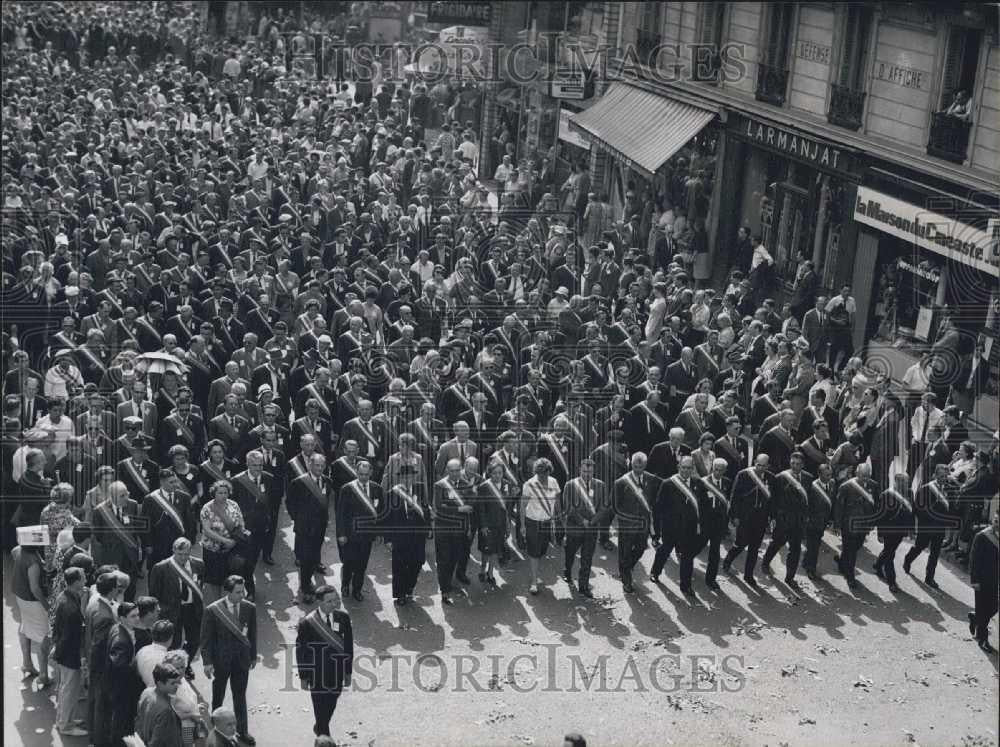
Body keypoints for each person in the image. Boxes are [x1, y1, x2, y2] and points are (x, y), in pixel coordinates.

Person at [201, 575, 257, 745]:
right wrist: (207, 662)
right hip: (221, 661)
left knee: (240, 696)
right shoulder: (213, 610)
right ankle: (215, 729)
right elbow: (206, 639)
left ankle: (242, 731)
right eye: (238, 592)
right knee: (218, 696)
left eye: (243, 591)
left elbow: (253, 634)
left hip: (241, 660)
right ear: (228, 592)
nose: (243, 595)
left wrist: (253, 655)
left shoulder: (250, 607)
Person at [295, 585, 354, 737]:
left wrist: (348, 672)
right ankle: (323, 734)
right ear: (319, 602)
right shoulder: (307, 623)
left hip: (337, 672)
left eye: (336, 600)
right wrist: (304, 676)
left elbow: (348, 646)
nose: (335, 604)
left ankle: (320, 726)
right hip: (317, 674)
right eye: (330, 601)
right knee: (320, 706)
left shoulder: (343, 617)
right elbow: (302, 652)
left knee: (332, 702)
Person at [599, 452, 660, 594]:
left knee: (640, 548)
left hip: (643, 523)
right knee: (624, 552)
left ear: (645, 466)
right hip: (627, 524)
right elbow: (614, 505)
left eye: (640, 467)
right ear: (631, 465)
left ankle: (627, 566)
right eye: (634, 466)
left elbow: (653, 499)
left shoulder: (651, 479)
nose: (637, 469)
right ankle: (626, 579)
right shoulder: (621, 482)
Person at [148, 537, 205, 673]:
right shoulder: (160, 568)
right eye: (180, 554)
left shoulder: (199, 564)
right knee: (174, 642)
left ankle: (185, 664)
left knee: (194, 640)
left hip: (192, 609)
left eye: (186, 554)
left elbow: (200, 586)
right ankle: (171, 670)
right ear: (173, 550)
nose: (183, 557)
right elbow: (154, 595)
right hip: (172, 611)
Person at [288, 452, 336, 604]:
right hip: (304, 527)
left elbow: (326, 502)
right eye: (317, 465)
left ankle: (308, 579)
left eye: (322, 466)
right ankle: (305, 588)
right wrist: (298, 519)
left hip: (320, 526)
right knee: (305, 558)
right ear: (310, 465)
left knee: (314, 554)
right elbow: (290, 503)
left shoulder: (327, 482)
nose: (320, 468)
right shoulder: (299, 482)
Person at [762, 451, 813, 589]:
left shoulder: (808, 479)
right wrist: (773, 517)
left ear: (803, 465)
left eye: (798, 464)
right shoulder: (781, 477)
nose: (794, 466)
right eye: (792, 463)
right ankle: (765, 562)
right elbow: (773, 500)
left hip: (799, 521)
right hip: (783, 519)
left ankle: (790, 577)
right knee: (776, 543)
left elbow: (810, 500)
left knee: (795, 550)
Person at [722, 454, 774, 589]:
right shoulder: (744, 474)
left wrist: (770, 517)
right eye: (758, 465)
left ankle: (748, 575)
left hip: (761, 518)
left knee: (755, 548)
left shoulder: (770, 478)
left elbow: (772, 500)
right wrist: (734, 516)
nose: (760, 468)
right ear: (754, 462)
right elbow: (734, 496)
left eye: (764, 466)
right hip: (745, 516)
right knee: (740, 544)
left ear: (768, 466)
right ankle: (728, 561)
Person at [335, 459, 384, 602]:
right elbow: (340, 514)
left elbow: (380, 512)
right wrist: (341, 534)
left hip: (367, 536)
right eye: (361, 474)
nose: (363, 477)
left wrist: (380, 532)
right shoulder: (347, 489)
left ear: (371, 474)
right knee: (349, 562)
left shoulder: (377, 489)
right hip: (350, 535)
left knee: (362, 564)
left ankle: (357, 589)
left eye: (366, 475)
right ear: (356, 472)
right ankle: (345, 585)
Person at [558, 457, 606, 598]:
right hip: (575, 527)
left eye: (590, 472)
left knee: (587, 557)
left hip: (592, 528)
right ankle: (567, 571)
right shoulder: (570, 485)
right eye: (584, 471)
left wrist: (592, 522)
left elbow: (603, 507)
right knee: (570, 553)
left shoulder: (600, 485)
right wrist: (581, 521)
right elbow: (568, 506)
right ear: (580, 469)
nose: (587, 474)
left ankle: (583, 586)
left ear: (593, 471)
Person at [12, 527, 53, 687]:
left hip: (19, 595)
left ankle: (27, 663)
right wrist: (47, 606)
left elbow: (15, 552)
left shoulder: (18, 551)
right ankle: (43, 675)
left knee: (25, 627)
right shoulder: (33, 563)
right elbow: (35, 588)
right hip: (32, 600)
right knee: (44, 636)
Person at [52, 566, 88, 737]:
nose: (86, 579)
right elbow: (70, 638)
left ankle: (64, 720)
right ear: (76, 582)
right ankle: (66, 726)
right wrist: (80, 657)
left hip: (63, 653)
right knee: (69, 691)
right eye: (83, 577)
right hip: (69, 655)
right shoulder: (72, 609)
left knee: (65, 689)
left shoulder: (64, 596)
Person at [903, 463, 952, 590]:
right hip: (927, 526)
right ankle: (908, 559)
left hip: (940, 527)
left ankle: (929, 577)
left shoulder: (949, 489)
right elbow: (918, 509)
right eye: (941, 476)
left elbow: (950, 508)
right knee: (919, 547)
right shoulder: (925, 489)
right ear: (934, 475)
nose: (943, 479)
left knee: (935, 553)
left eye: (945, 476)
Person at [433, 458, 475, 605]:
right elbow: (439, 506)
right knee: (444, 560)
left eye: (458, 470)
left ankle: (449, 582)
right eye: (452, 471)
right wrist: (458, 509)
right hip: (443, 529)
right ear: (447, 471)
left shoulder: (466, 485)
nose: (455, 473)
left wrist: (468, 526)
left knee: (454, 559)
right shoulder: (440, 485)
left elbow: (470, 506)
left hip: (459, 530)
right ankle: (445, 591)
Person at [520, 457, 562, 595]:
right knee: (534, 552)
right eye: (540, 474)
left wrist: (558, 519)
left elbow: (557, 502)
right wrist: (522, 525)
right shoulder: (529, 485)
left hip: (547, 522)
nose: (543, 477)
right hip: (533, 522)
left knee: (542, 550)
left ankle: (535, 573)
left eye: (545, 474)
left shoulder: (554, 482)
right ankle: (534, 581)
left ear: (549, 472)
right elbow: (522, 506)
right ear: (536, 473)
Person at [199, 480, 246, 604]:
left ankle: (229, 603)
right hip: (213, 550)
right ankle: (217, 605)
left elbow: (241, 524)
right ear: (214, 493)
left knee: (230, 579)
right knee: (214, 581)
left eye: (226, 492)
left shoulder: (234, 505)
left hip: (231, 550)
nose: (223, 495)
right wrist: (225, 540)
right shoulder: (207, 508)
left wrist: (235, 541)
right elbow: (207, 530)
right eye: (220, 493)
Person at [86, 572, 119, 747]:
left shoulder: (95, 604)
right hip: (101, 666)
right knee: (101, 705)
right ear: (113, 590)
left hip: (94, 664)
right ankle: (98, 740)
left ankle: (92, 734)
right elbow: (100, 646)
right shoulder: (105, 616)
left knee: (94, 701)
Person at [835, 462, 877, 589]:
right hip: (849, 525)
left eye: (868, 475)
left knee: (855, 547)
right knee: (852, 551)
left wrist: (872, 522)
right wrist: (837, 524)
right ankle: (850, 576)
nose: (865, 478)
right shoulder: (846, 487)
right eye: (863, 475)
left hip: (863, 525)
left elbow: (874, 506)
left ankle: (842, 562)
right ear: (856, 473)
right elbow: (838, 507)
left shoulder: (873, 485)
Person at [108, 600, 143, 744]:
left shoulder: (120, 628)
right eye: (133, 616)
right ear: (122, 619)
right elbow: (119, 667)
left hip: (122, 687)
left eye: (138, 615)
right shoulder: (121, 640)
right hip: (122, 688)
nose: (137, 619)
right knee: (122, 720)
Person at [874, 472, 914, 593]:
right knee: (890, 554)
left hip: (901, 530)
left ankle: (877, 564)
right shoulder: (887, 495)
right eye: (903, 482)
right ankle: (892, 581)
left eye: (907, 482)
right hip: (888, 529)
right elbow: (880, 516)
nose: (905, 485)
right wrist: (880, 533)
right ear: (896, 482)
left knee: (889, 551)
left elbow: (911, 512)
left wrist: (911, 529)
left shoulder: (909, 493)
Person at [968, 512, 998, 653]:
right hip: (982, 580)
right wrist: (974, 580)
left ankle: (975, 617)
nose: (997, 524)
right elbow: (974, 560)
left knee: (994, 607)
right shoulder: (982, 536)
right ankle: (983, 639)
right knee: (984, 606)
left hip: (995, 580)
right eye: (996, 520)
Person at [135, 662, 184, 747]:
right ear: (160, 683)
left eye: (177, 682)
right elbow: (158, 740)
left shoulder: (146, 693)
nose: (177, 685)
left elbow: (138, 723)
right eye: (172, 683)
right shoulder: (165, 710)